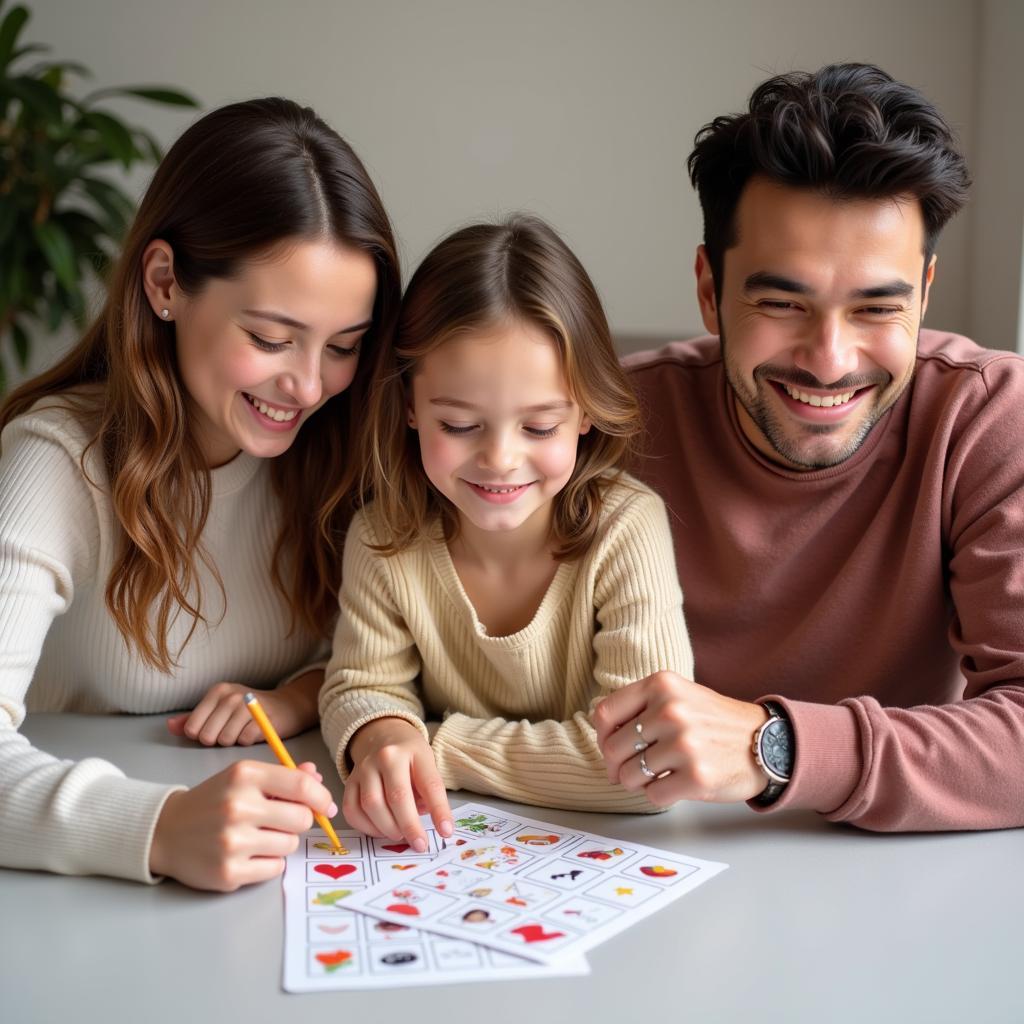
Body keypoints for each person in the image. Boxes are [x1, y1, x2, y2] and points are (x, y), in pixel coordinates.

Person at [595, 63, 1024, 832]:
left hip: (896, 884)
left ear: (925, 293)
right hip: (637, 854)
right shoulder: (608, 424)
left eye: (875, 308)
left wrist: (778, 747)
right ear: (708, 289)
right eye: (782, 302)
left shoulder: (986, 418)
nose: (829, 360)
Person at [0, 98, 402, 887]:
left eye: (345, 346)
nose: (311, 385)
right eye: (270, 338)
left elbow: (405, 652)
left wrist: (299, 692)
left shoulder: (346, 446)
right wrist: (156, 826)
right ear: (164, 284)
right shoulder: (55, 462)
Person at [319, 216, 692, 852]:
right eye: (460, 425)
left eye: (540, 428)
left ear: (584, 413)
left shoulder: (627, 529)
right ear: (410, 404)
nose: (498, 459)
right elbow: (361, 686)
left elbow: (645, 768)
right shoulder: (384, 536)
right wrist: (381, 733)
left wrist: (433, 746)